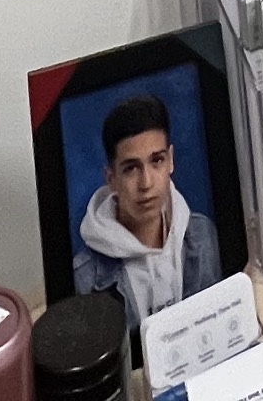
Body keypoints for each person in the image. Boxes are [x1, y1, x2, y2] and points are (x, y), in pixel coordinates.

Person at [70, 93, 218, 328]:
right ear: (111, 178)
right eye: (131, 168)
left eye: (156, 161)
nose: (146, 183)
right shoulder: (84, 279)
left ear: (171, 161)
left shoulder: (204, 235)